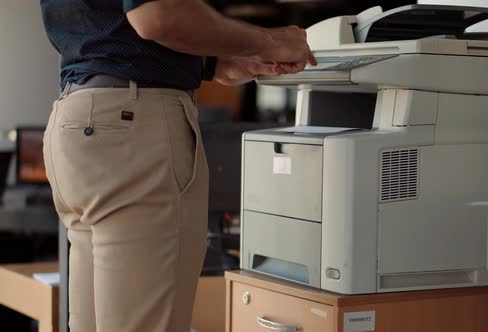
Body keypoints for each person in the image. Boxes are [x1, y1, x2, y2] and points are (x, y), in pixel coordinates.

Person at [40, 1, 317, 331]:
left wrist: (208, 63)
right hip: (131, 128)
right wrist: (269, 42)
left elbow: (112, 29)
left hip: (80, 119)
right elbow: (156, 15)